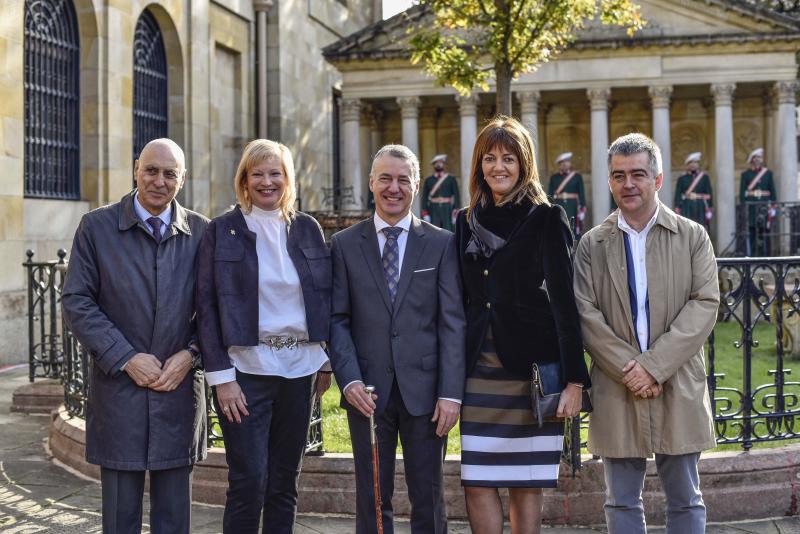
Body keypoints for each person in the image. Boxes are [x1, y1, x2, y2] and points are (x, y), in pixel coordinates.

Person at [574, 133, 719, 534]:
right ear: (609, 182)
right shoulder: (592, 244)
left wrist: (653, 367)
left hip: (676, 381)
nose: (628, 184)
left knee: (686, 501)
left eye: (638, 174)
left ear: (657, 180)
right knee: (620, 502)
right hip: (616, 385)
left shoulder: (692, 236)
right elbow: (585, 314)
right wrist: (630, 369)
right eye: (619, 176)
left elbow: (705, 304)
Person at [61, 138, 208, 534]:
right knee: (120, 517)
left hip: (178, 393)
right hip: (119, 390)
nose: (159, 181)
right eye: (151, 170)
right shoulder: (96, 227)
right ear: (135, 169)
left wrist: (190, 355)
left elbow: (216, 311)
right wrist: (126, 357)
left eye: (170, 173)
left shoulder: (201, 232)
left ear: (182, 179)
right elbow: (77, 301)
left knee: (174, 518)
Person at [454, 116, 590, 534]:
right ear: (479, 165)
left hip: (530, 372)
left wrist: (574, 382)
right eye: (490, 158)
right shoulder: (464, 221)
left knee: (525, 483)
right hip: (478, 370)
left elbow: (566, 305)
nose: (499, 167)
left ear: (524, 163)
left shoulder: (547, 218)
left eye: (508, 158)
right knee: (476, 481)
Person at [195, 139, 332, 534]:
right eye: (258, 173)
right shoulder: (222, 230)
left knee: (284, 483)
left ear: (288, 179)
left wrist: (324, 358)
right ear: (244, 179)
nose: (267, 181)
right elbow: (206, 307)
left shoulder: (306, 228)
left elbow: (323, 295)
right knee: (249, 482)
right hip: (245, 374)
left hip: (298, 372)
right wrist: (222, 379)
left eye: (276, 173)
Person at [329, 144, 466, 534]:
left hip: (426, 395)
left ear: (417, 185)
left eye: (403, 179)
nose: (394, 187)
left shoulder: (440, 243)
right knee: (372, 497)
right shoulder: (344, 245)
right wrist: (350, 379)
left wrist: (451, 394)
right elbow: (337, 320)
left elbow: (452, 322)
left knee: (429, 495)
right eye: (385, 178)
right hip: (367, 392)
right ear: (371, 183)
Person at [740, 148, 776, 256]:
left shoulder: (768, 173)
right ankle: (751, 256)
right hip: (751, 207)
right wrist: (744, 205)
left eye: (759, 157)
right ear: (751, 160)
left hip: (764, 206)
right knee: (752, 231)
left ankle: (765, 256)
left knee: (764, 231)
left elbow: (772, 190)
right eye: (755, 157)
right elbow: (743, 192)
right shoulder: (746, 175)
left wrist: (773, 206)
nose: (757, 160)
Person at [547, 152, 587, 236]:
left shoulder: (577, 176)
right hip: (559, 205)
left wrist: (582, 208)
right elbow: (550, 195)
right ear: (559, 165)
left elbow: (581, 193)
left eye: (567, 161)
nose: (565, 164)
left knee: (574, 229)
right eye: (562, 162)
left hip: (573, 207)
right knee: (559, 228)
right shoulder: (554, 177)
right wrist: (550, 208)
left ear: (570, 163)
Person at [674, 152, 713, 230]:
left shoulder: (704, 177)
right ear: (687, 164)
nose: (693, 164)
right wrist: (678, 208)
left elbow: (709, 194)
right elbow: (678, 194)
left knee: (701, 229)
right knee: (687, 230)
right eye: (690, 162)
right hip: (686, 207)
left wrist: (709, 208)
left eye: (695, 162)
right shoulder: (682, 178)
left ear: (698, 164)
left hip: (701, 207)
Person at [421, 154, 461, 231]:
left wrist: (456, 210)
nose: (439, 164)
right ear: (433, 165)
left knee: (448, 230)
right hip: (433, 209)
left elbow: (456, 195)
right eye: (436, 163)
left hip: (447, 208)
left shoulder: (451, 179)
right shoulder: (428, 180)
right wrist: (425, 212)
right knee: (433, 230)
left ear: (444, 164)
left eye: (441, 162)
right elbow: (424, 197)